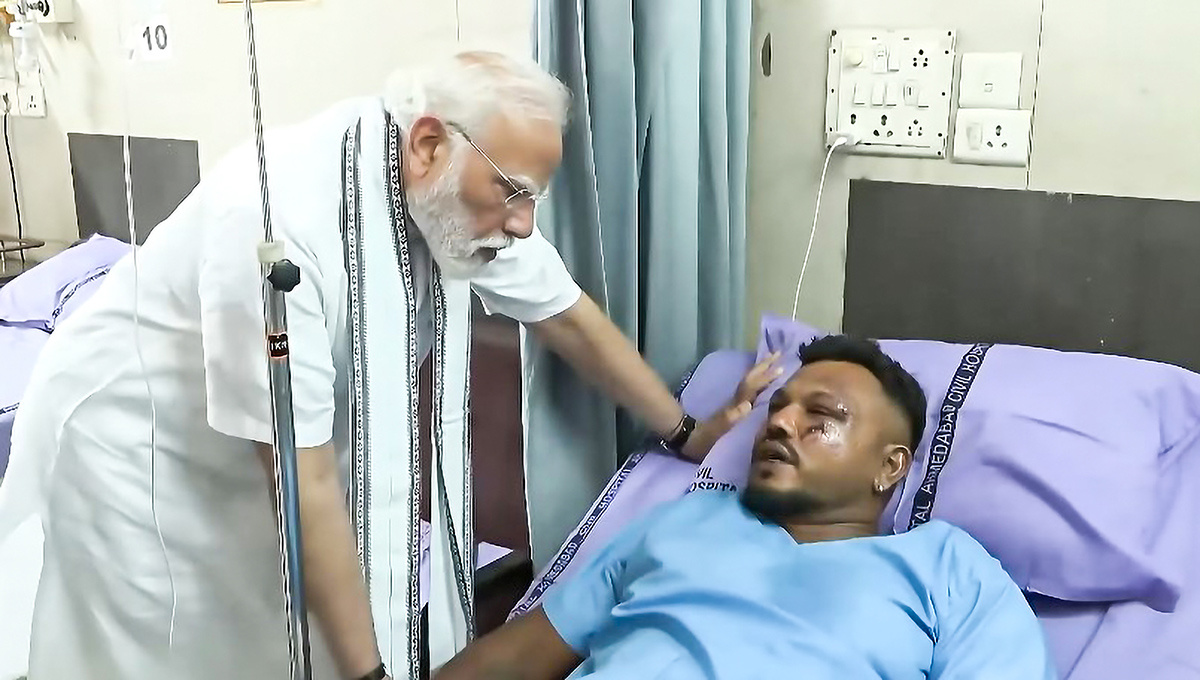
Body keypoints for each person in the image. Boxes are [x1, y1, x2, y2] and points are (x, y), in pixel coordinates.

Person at [0, 52, 769, 680]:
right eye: (514, 193)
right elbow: (304, 483)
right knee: (160, 647)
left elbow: (568, 317)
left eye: (532, 197)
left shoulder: (460, 199)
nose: (523, 223)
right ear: (429, 142)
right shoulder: (279, 225)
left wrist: (685, 430)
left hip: (262, 455)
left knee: (278, 637)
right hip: (135, 450)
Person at [435, 335, 1059, 680]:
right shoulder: (683, 521)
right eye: (776, 408)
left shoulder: (949, 571)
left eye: (822, 417)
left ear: (890, 467)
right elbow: (518, 656)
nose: (780, 423)